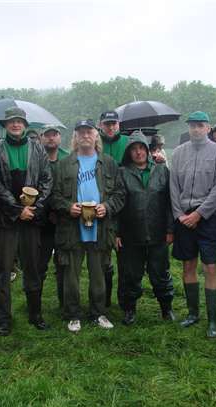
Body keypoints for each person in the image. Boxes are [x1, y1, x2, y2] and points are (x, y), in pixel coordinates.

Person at [51, 119, 125, 332]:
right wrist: (67, 207)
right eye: (81, 132)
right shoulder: (65, 164)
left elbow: (120, 194)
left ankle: (98, 313)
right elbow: (53, 196)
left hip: (100, 228)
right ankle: (73, 314)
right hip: (72, 228)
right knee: (71, 275)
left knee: (99, 274)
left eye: (89, 131)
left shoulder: (108, 162)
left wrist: (107, 207)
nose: (85, 135)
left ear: (96, 135)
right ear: (75, 136)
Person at [0, 107, 52, 336]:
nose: (16, 125)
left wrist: (35, 208)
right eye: (11, 122)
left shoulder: (37, 148)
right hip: (5, 220)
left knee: (32, 269)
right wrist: (16, 210)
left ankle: (35, 314)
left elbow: (46, 179)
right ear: (5, 125)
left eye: (19, 121)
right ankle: (3, 318)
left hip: (31, 220)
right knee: (3, 270)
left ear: (25, 125)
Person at [170, 111, 216, 338]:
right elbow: (173, 186)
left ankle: (213, 320)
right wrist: (179, 215)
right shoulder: (178, 153)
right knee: (188, 267)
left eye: (200, 125)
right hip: (183, 216)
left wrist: (200, 214)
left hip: (208, 218)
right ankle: (193, 313)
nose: (196, 129)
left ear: (208, 128)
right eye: (192, 125)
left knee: (210, 267)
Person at [117, 131, 175, 325]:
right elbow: (117, 204)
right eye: (134, 149)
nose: (138, 152)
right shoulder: (122, 173)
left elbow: (169, 203)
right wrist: (116, 232)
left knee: (160, 273)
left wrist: (170, 230)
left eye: (141, 148)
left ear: (147, 150)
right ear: (129, 153)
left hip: (158, 233)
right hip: (130, 234)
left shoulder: (161, 170)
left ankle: (166, 308)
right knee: (130, 275)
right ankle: (129, 310)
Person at [97, 110, 129, 308]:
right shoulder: (95, 142)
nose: (110, 127)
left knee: (125, 257)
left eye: (114, 123)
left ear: (119, 124)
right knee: (104, 257)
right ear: (101, 125)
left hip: (126, 204)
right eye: (107, 124)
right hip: (102, 204)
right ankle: (105, 299)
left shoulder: (127, 142)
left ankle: (125, 301)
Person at [39, 124, 69, 308]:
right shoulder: (35, 158)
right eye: (47, 135)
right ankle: (35, 306)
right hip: (41, 221)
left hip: (64, 220)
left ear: (59, 137)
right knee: (39, 264)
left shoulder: (68, 158)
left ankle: (65, 303)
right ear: (41, 138)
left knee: (64, 264)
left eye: (54, 134)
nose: (51, 138)